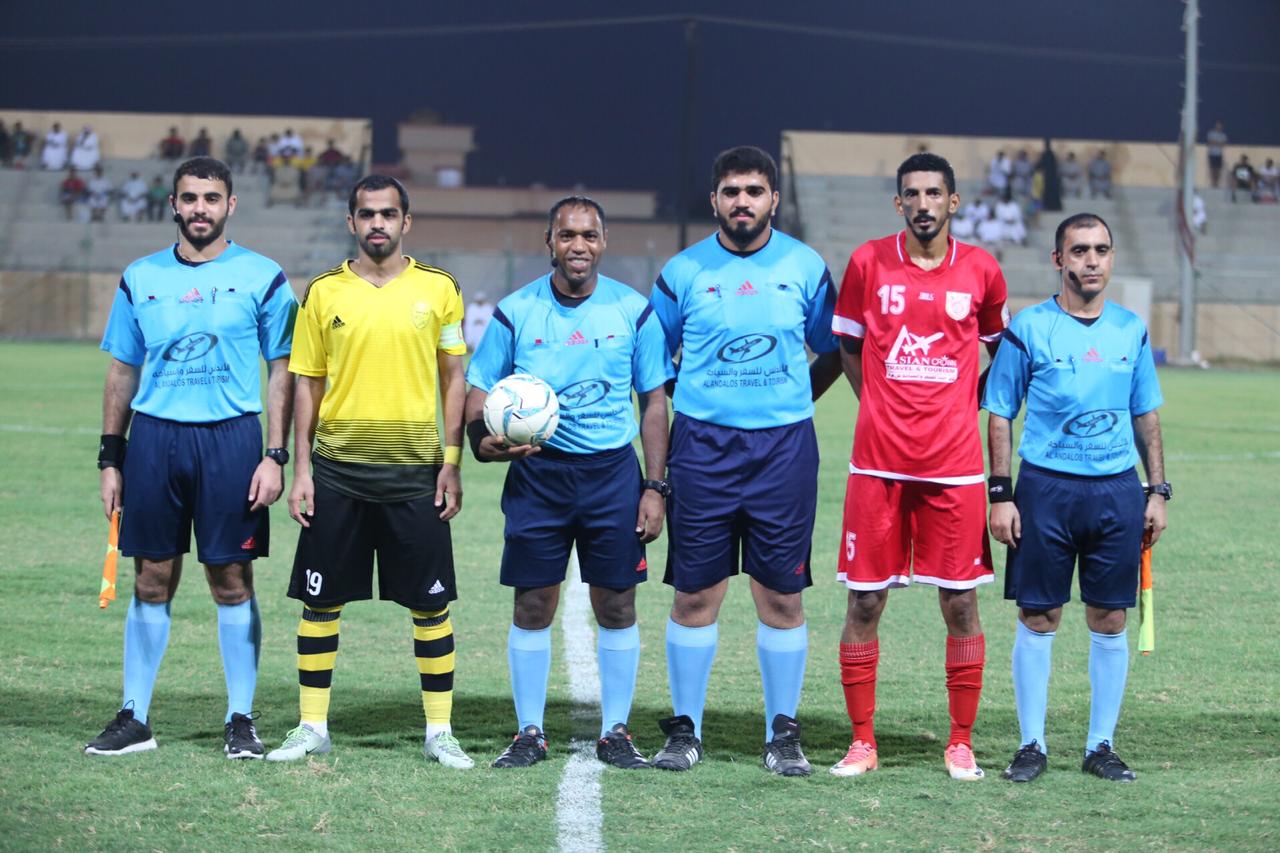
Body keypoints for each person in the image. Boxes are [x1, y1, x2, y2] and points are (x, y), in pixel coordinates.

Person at [85, 156, 296, 759]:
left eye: (211, 198)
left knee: (231, 577)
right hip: (155, 440)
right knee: (150, 576)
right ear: (173, 204)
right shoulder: (141, 276)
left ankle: (240, 719)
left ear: (231, 205)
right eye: (189, 198)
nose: (199, 208)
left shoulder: (263, 276)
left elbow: (282, 369)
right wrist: (111, 458)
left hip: (232, 440)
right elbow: (123, 370)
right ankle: (135, 717)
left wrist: (275, 454)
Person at [265, 175, 473, 770]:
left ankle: (439, 732)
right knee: (320, 603)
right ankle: (312, 726)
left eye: (387, 213)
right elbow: (307, 383)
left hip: (416, 472)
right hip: (337, 473)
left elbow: (454, 378)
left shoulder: (439, 289)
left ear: (406, 221)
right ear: (351, 222)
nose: (377, 223)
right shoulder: (323, 292)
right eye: (366, 213)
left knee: (430, 607)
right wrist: (302, 471)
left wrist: (452, 463)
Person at [648, 145, 842, 776]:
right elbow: (653, 362)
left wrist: (794, 399)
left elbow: (833, 347)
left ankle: (782, 734)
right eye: (731, 191)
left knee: (782, 598)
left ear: (773, 200)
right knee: (694, 596)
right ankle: (686, 730)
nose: (742, 202)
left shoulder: (805, 266)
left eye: (753, 191)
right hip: (702, 450)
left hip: (784, 451)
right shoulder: (683, 272)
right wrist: (694, 399)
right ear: (714, 200)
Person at [465, 197, 673, 769]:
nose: (578, 246)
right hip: (539, 474)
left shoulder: (633, 311)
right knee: (533, 602)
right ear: (549, 241)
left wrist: (655, 487)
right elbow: (478, 391)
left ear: (603, 242)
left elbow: (654, 402)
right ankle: (529, 732)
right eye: (566, 235)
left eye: (589, 235)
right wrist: (481, 440)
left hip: (612, 475)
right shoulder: (516, 311)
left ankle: (616, 732)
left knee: (618, 605)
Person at [830, 152, 1008, 781]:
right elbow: (848, 347)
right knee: (865, 602)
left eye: (935, 193)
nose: (923, 204)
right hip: (877, 464)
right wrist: (877, 405)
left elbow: (1000, 354)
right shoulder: (868, 262)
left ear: (953, 202)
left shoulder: (983, 270)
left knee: (960, 605)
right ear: (898, 202)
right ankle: (862, 742)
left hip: (954, 468)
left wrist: (963, 403)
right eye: (912, 194)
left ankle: (960, 742)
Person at [982, 212, 1169, 784]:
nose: (1092, 260)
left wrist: (1157, 491)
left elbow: (1146, 414)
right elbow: (999, 412)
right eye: (1080, 250)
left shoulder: (1131, 330)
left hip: (1116, 490)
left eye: (1101, 250)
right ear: (1058, 259)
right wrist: (1000, 494)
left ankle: (1100, 746)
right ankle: (1031, 745)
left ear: (1111, 258)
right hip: (1046, 489)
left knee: (1109, 617)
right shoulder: (1029, 327)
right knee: (1039, 614)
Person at [1206, 120, 1228, 188]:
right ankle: (1213, 184)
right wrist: (1218, 143)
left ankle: (1216, 184)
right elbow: (1210, 142)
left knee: (1218, 170)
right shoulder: (1211, 133)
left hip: (1219, 155)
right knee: (1212, 170)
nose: (1219, 127)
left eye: (1220, 126)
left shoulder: (1223, 135)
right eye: (1218, 125)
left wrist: (1215, 142)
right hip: (1212, 154)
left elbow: (1223, 144)